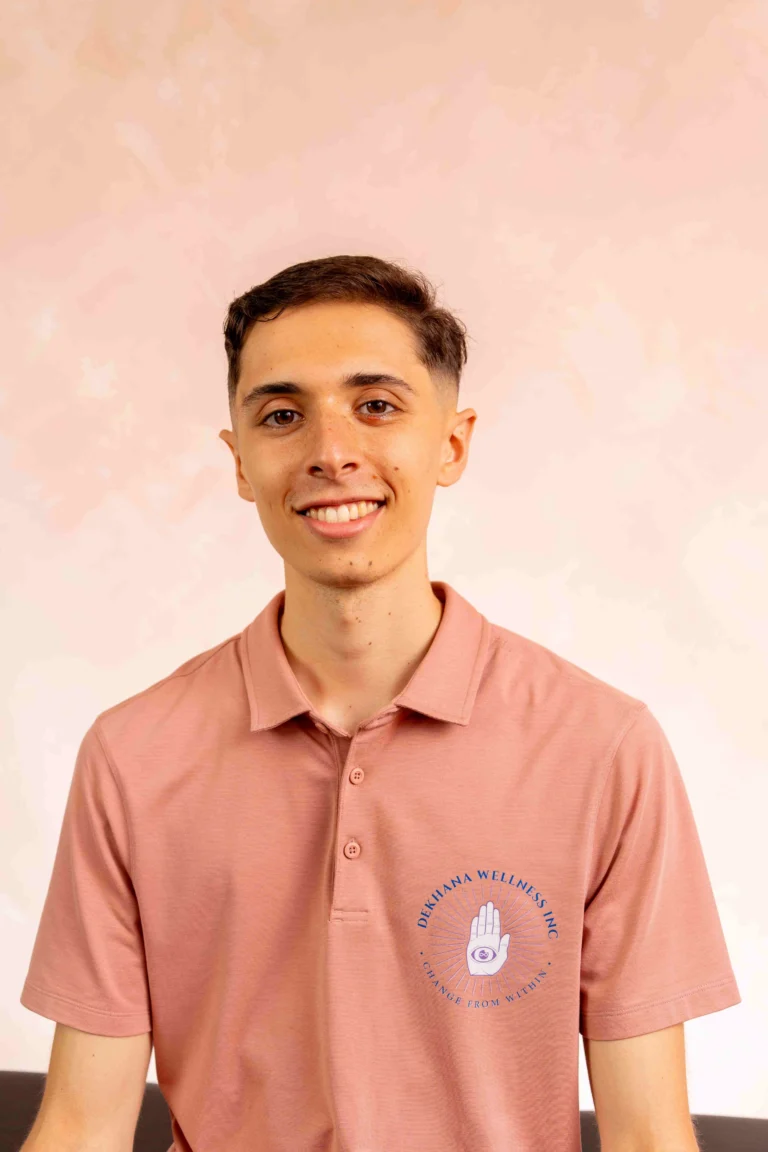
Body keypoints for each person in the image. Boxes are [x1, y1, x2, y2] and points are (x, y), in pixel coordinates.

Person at [20, 255, 740, 1152]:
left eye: (377, 405)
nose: (330, 450)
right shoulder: (133, 756)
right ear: (239, 460)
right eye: (282, 416)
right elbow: (83, 1125)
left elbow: (647, 1139)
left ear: (452, 443)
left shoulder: (602, 747)